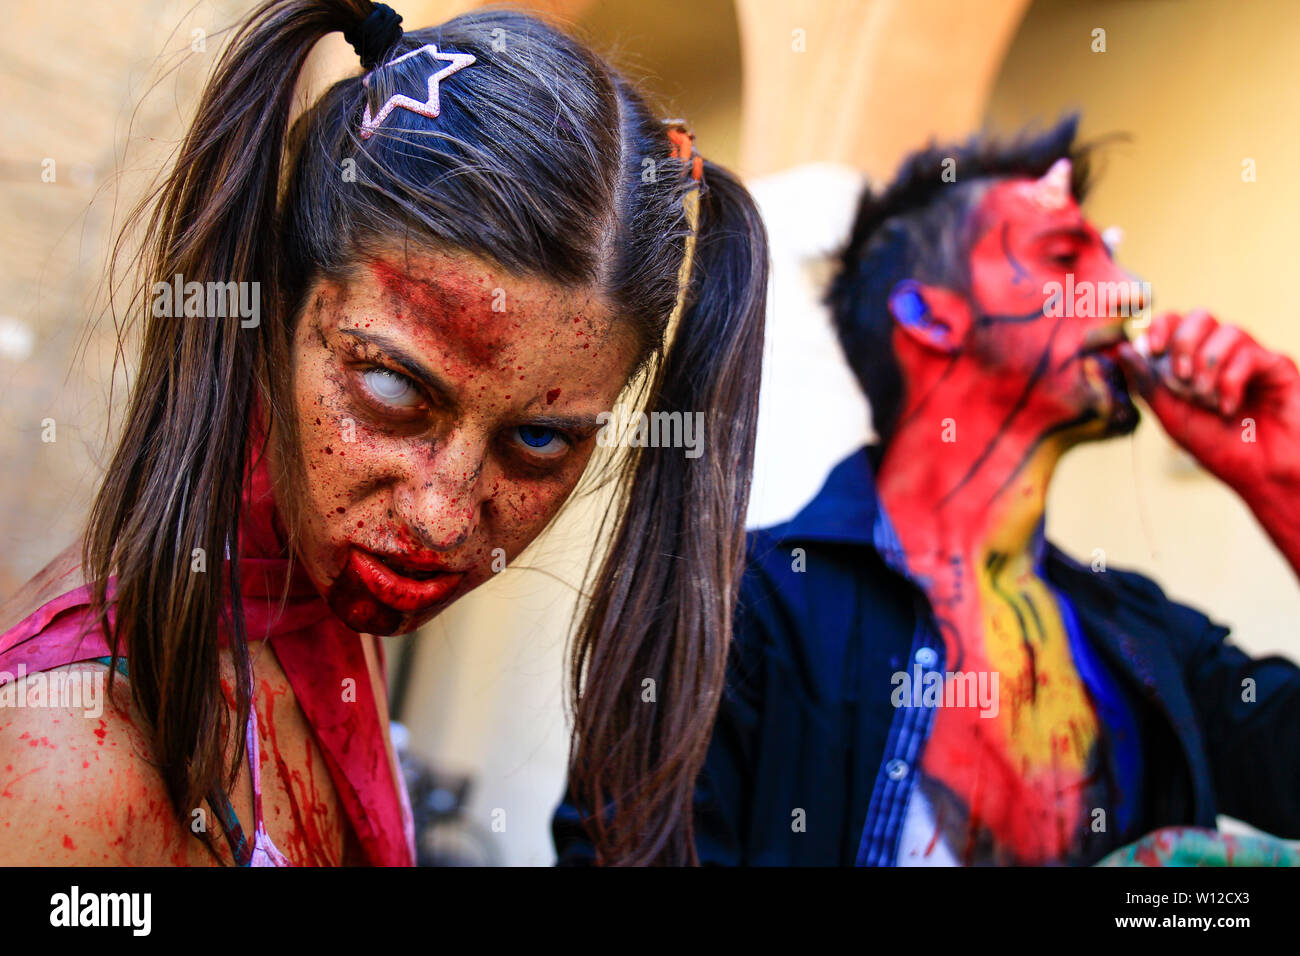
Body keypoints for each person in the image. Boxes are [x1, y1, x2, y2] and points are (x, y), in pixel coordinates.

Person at [0, 0, 767, 866]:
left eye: (541, 441)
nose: (442, 519)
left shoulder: (316, 621)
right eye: (392, 387)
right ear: (274, 308)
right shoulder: (74, 766)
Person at [555, 114, 1300, 865]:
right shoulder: (732, 610)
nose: (1131, 293)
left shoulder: (1142, 636)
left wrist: (1283, 475)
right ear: (927, 316)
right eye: (1065, 257)